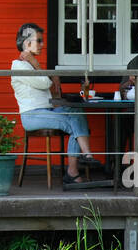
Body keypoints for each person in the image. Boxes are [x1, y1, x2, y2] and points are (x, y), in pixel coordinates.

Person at [10, 23, 98, 188]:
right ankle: (78, 166)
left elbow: (48, 84)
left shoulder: (29, 65)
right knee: (74, 124)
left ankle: (83, 160)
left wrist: (45, 72)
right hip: (33, 116)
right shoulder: (20, 65)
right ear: (27, 43)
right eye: (39, 41)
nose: (42, 45)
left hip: (47, 111)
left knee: (76, 111)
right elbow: (44, 83)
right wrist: (37, 65)